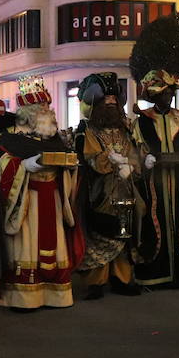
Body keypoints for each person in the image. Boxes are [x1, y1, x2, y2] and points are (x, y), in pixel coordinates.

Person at [0, 75, 80, 310]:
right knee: (27, 246)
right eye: (42, 105)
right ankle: (25, 298)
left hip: (52, 195)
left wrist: (69, 168)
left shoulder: (54, 136)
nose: (47, 109)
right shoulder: (12, 136)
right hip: (27, 200)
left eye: (48, 105)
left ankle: (54, 295)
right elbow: (1, 164)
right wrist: (25, 166)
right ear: (28, 109)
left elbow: (63, 160)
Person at [131, 69, 179, 288]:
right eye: (163, 93)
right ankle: (155, 273)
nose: (168, 97)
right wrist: (145, 160)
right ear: (153, 95)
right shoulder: (142, 121)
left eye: (170, 92)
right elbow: (135, 150)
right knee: (155, 222)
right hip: (153, 184)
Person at [75, 72, 143, 300]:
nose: (111, 103)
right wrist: (111, 161)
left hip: (127, 188)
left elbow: (135, 152)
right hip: (100, 191)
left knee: (125, 235)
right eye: (107, 100)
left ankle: (122, 278)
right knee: (99, 233)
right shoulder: (88, 130)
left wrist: (131, 165)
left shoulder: (126, 128)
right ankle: (96, 281)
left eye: (115, 100)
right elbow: (92, 158)